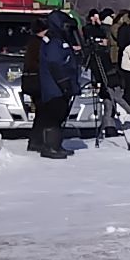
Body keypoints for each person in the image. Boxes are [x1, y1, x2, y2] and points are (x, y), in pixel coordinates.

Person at [33, 12, 79, 160]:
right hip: (55, 87)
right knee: (55, 115)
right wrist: (64, 82)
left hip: (57, 85)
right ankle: (51, 146)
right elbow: (55, 63)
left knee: (57, 114)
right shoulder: (54, 42)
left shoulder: (58, 39)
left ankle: (54, 144)